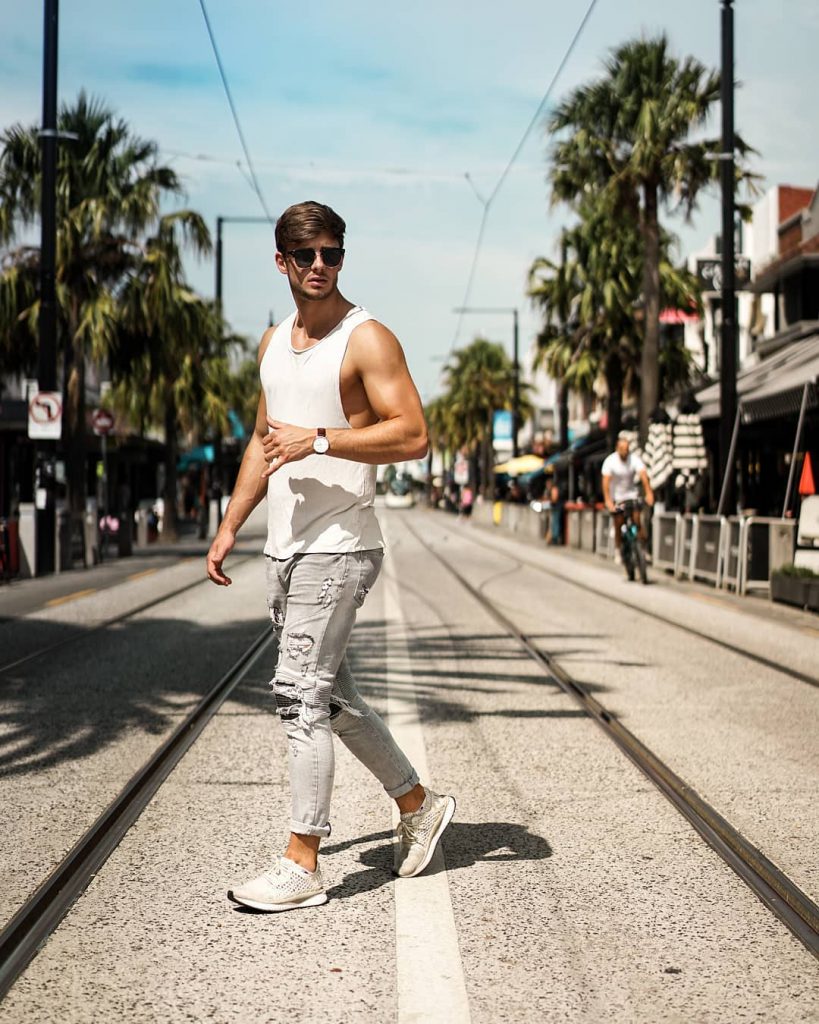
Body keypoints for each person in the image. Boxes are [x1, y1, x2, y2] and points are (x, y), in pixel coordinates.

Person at [206, 201, 456, 913]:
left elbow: (412, 435)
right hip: (285, 547)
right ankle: (417, 802)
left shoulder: (365, 338)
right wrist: (230, 525)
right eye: (307, 255)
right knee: (335, 698)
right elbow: (262, 439)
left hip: (340, 545)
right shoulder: (271, 343)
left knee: (300, 698)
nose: (321, 266)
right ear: (281, 262)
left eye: (332, 253)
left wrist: (320, 438)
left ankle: (301, 863)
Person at [601, 433, 655, 559]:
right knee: (618, 521)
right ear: (617, 449)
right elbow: (606, 483)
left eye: (626, 449)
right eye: (622, 449)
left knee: (637, 519)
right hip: (618, 498)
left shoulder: (634, 459)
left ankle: (642, 548)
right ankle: (618, 549)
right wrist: (608, 501)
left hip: (631, 496)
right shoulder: (610, 461)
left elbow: (643, 476)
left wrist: (649, 493)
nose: (625, 452)